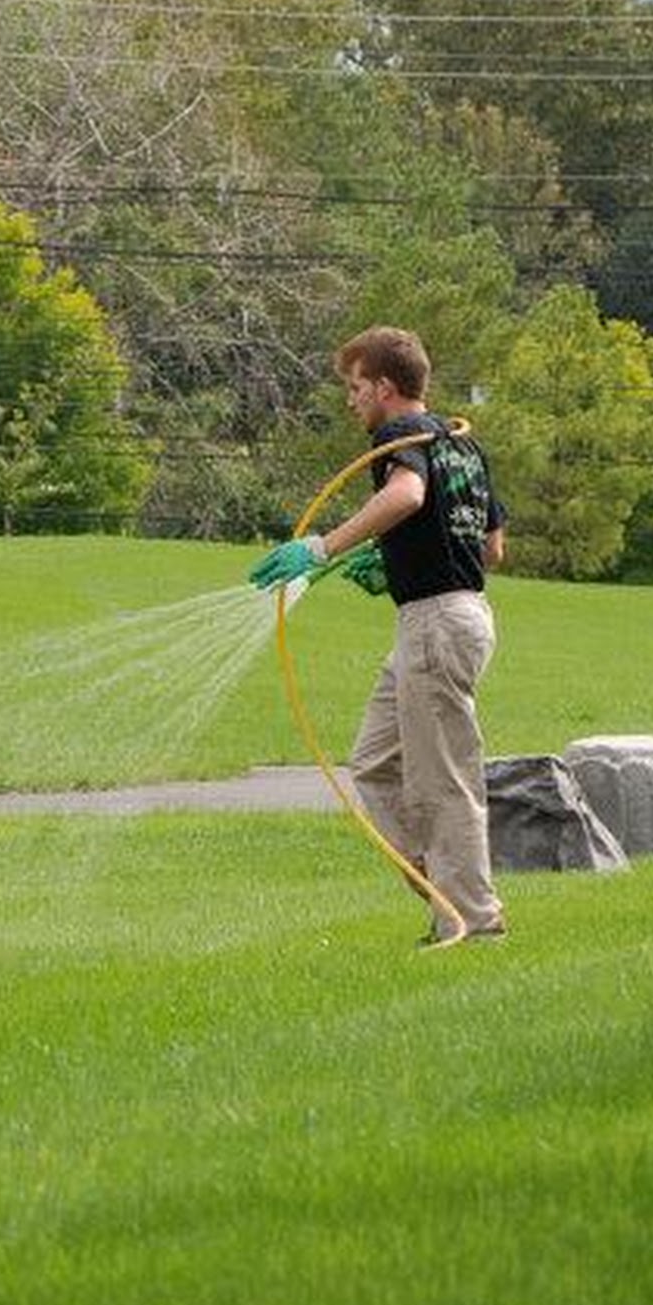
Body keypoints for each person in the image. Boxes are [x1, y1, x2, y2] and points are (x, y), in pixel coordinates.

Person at [249, 326, 508, 945]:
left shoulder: (400, 436)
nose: (351, 400)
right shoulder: (464, 447)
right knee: (373, 762)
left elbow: (407, 493)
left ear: (386, 388)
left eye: (356, 387)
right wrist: (393, 559)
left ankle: (475, 921)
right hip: (451, 614)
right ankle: (435, 882)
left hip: (436, 624)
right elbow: (492, 548)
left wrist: (324, 547)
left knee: (443, 777)